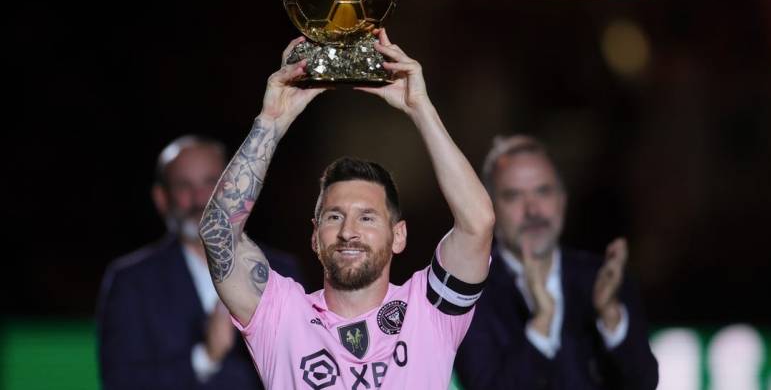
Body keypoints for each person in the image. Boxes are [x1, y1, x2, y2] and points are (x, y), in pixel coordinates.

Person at [197, 29, 495, 389]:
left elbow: (478, 224)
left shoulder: (429, 310)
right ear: (314, 235)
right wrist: (271, 122)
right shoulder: (282, 315)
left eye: (367, 217)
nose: (348, 231)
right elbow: (218, 234)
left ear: (398, 234)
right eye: (334, 216)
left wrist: (421, 109)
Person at [97, 135, 304, 390]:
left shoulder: (281, 272)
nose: (199, 199)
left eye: (211, 183)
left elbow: (303, 370)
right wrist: (205, 358)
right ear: (162, 198)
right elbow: (120, 382)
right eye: (184, 186)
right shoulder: (131, 281)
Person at [455, 135, 658, 389]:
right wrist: (541, 324)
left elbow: (644, 382)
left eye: (543, 191)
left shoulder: (603, 278)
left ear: (563, 199)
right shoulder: (469, 295)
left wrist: (610, 315)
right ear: (491, 209)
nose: (533, 210)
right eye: (514, 196)